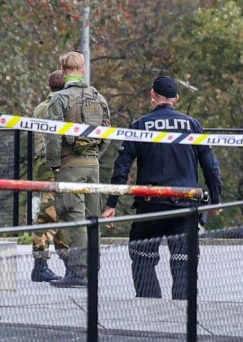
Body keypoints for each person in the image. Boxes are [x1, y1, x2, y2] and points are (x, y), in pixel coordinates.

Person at [101, 76, 223, 300]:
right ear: (176, 98)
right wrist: (216, 199)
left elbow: (122, 167)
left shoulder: (139, 126)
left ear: (152, 94)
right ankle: (183, 316)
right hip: (185, 204)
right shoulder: (192, 125)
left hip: (151, 205)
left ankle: (150, 308)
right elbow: (211, 166)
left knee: (142, 257)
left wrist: (111, 204)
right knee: (184, 262)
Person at [45, 51, 110, 288]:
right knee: (93, 218)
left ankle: (78, 272)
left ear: (63, 71)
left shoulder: (59, 99)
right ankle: (93, 268)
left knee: (75, 218)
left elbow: (52, 137)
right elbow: (108, 134)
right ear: (82, 70)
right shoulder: (99, 99)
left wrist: (54, 164)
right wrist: (94, 156)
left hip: (69, 165)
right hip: (93, 166)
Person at [29, 70, 71, 283]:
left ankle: (64, 262)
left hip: (42, 164)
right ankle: (42, 264)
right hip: (52, 165)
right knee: (50, 215)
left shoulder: (40, 106)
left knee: (57, 213)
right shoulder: (57, 107)